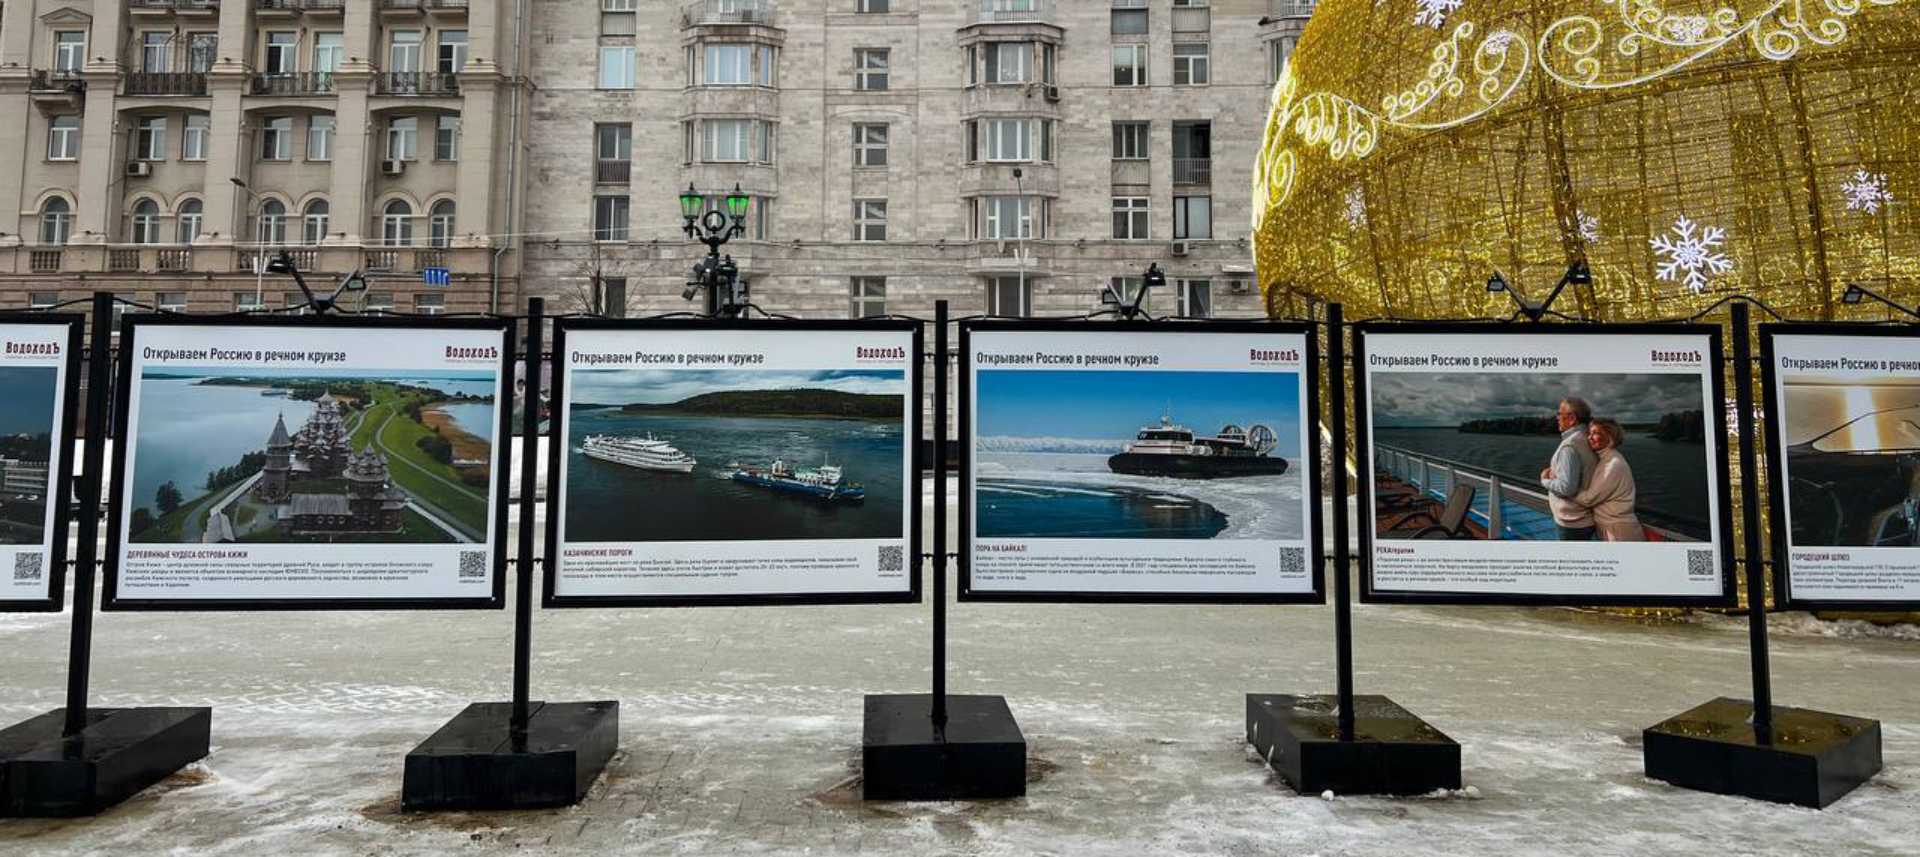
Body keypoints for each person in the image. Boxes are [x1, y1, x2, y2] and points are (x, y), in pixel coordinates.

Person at [1570, 418, 1644, 541]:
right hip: (1610, 527)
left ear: (1610, 438)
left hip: (1619, 531)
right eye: (1589, 433)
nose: (1590, 437)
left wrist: (1565, 486)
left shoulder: (1613, 464)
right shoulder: (1605, 459)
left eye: (1595, 433)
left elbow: (1588, 499)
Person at [1539, 396, 1598, 540]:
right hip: (1584, 518)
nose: (1557, 417)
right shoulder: (1587, 438)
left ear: (1571, 419)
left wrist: (1544, 480)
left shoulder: (1570, 446)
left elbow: (1567, 488)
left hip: (1572, 522)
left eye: (1559, 414)